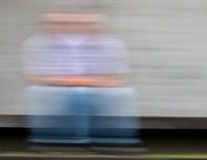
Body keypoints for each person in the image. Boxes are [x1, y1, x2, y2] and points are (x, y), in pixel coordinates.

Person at [23, 12, 140, 148]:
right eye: (53, 24)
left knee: (116, 94)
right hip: (59, 93)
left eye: (92, 24)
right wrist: (76, 82)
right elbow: (36, 77)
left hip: (97, 93)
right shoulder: (36, 44)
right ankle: (62, 140)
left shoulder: (112, 45)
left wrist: (79, 82)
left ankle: (112, 140)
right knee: (66, 94)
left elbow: (118, 79)